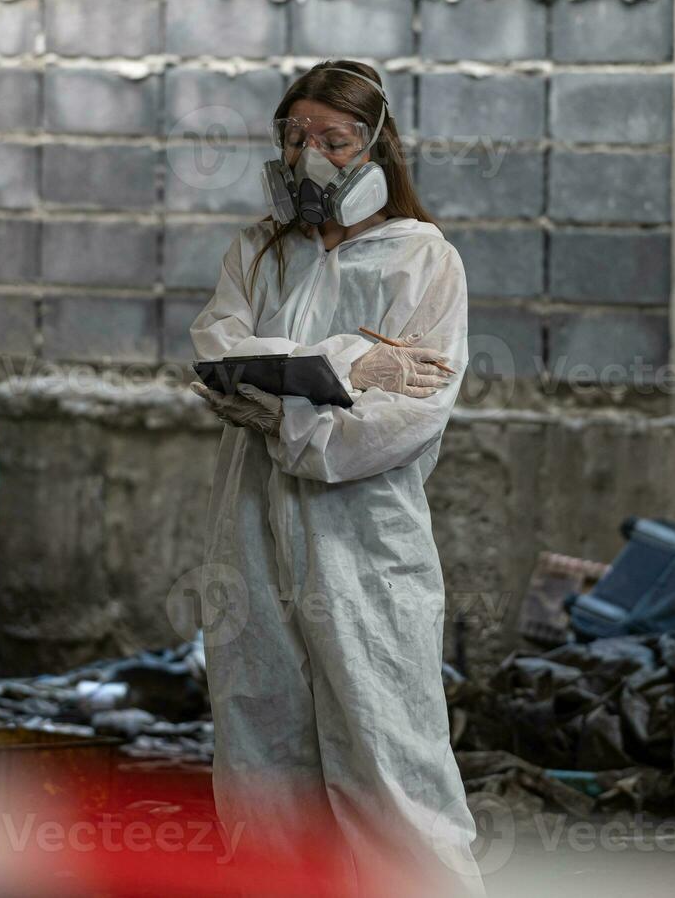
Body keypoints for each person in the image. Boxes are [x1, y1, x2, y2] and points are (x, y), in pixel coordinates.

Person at [187, 60, 486, 897]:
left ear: (376, 147)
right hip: (249, 527)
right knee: (261, 748)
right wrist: (357, 362)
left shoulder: (425, 261)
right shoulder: (259, 248)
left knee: (389, 753)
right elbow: (217, 354)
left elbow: (408, 417)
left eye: (333, 139)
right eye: (293, 135)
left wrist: (283, 409)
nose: (307, 155)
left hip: (365, 541)